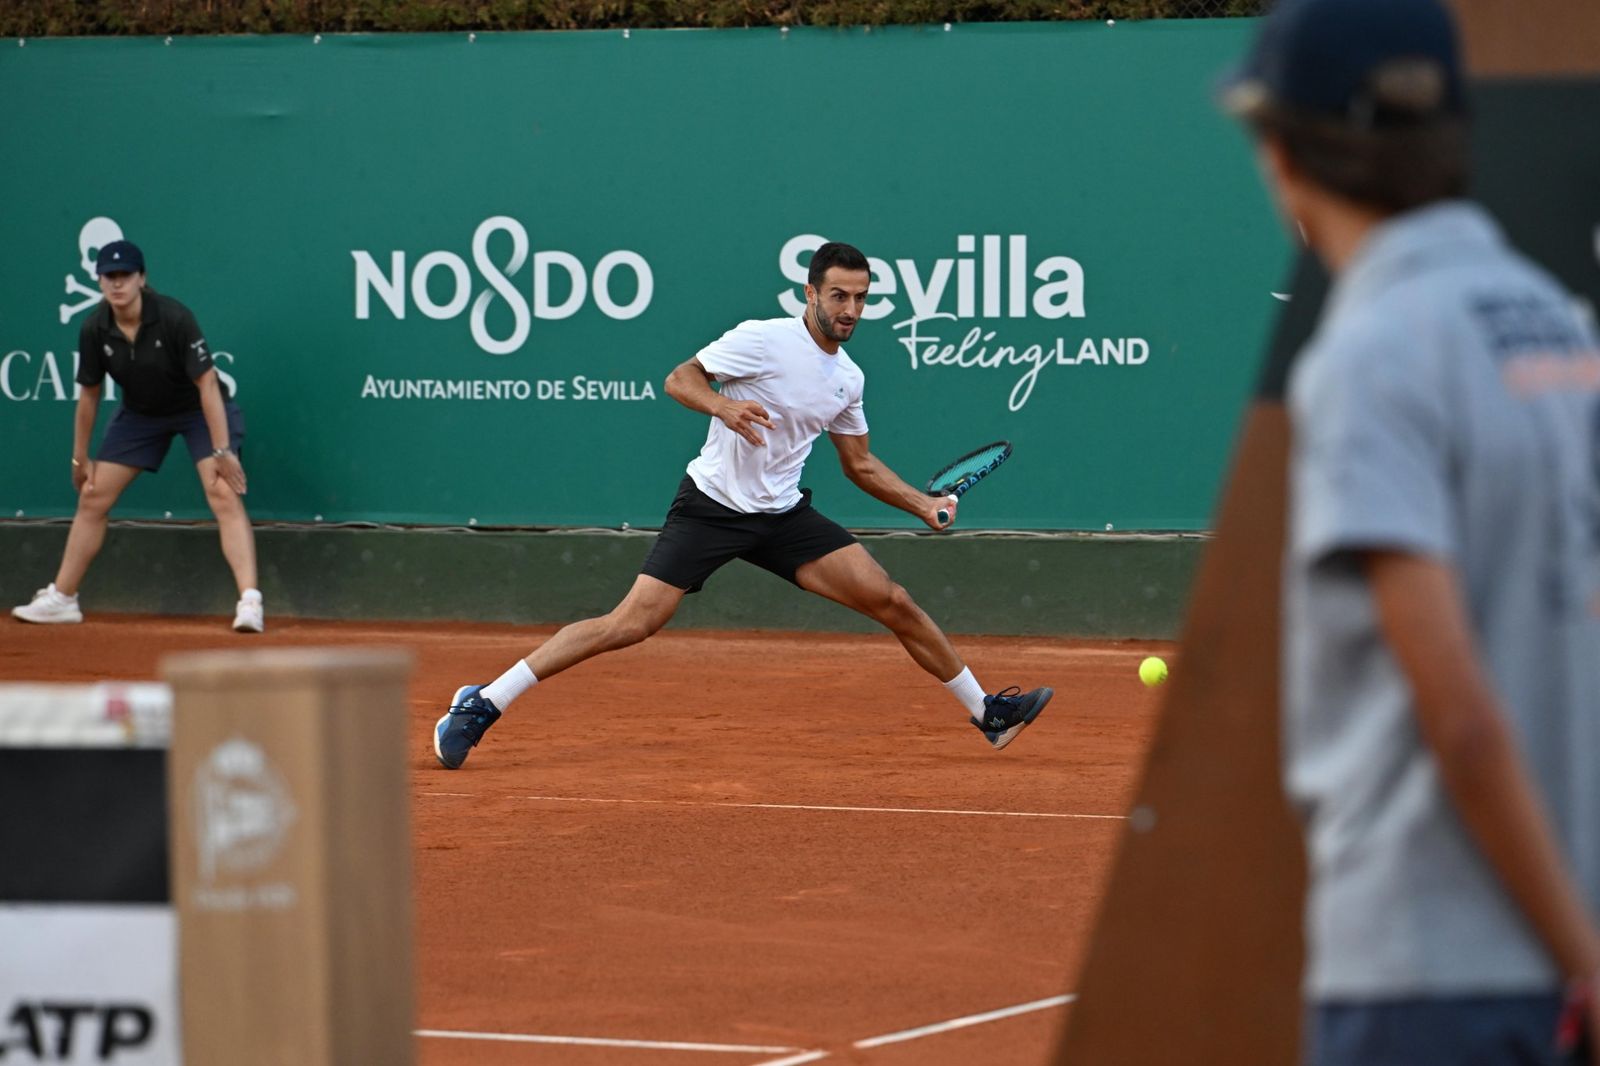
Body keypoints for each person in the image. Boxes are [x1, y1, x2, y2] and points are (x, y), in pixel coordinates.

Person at [1223, 0, 1600, 1062]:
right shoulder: (1553, 320)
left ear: (1284, 152)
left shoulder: (1371, 352)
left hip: (1426, 970)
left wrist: (1582, 959)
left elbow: (1461, 716)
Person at [434, 241, 1051, 768]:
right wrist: (723, 406)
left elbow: (859, 464)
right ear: (811, 292)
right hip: (712, 506)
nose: (851, 310)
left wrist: (922, 505)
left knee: (893, 600)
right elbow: (681, 378)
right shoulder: (762, 340)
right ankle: (484, 700)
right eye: (839, 296)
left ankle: (987, 712)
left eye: (861, 298)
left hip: (782, 517)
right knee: (632, 623)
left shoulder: (849, 379)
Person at [10, 239, 264, 633]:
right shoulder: (94, 328)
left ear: (142, 279)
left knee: (221, 490)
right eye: (109, 277)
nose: (117, 284)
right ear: (99, 282)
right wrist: (80, 458)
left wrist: (222, 449)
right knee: (93, 495)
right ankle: (63, 598)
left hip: (198, 409)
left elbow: (208, 384)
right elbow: (89, 396)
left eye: (125, 275)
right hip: (142, 414)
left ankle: (249, 601)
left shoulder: (175, 318)